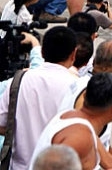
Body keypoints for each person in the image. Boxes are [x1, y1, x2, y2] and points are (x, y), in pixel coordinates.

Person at [0, 26, 78, 170]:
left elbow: (1, 123)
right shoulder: (77, 87)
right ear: (73, 54)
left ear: (42, 52)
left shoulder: (17, 81)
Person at [28, 72, 112, 170]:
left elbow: (100, 149)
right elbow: (52, 166)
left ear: (84, 96)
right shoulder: (80, 137)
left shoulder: (75, 119)